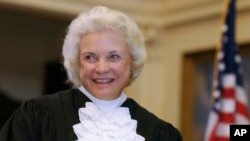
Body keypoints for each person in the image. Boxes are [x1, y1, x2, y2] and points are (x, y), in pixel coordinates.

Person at [0, 6, 182, 141]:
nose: (101, 68)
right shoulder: (37, 116)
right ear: (77, 62)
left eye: (114, 56)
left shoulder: (161, 134)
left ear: (132, 62)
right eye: (90, 57)